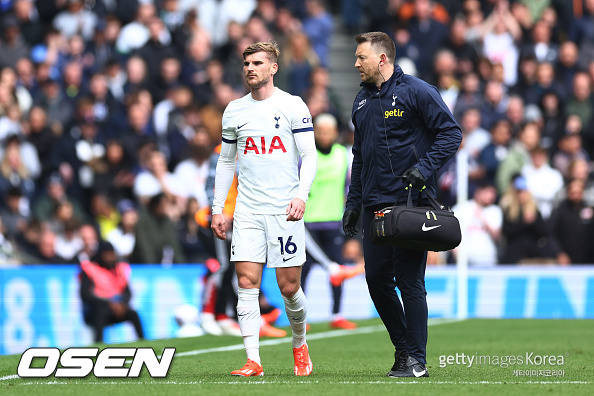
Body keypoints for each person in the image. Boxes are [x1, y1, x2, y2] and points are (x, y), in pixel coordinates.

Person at [342, 32, 462, 378]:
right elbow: (360, 157)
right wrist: (353, 203)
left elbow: (451, 133)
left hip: (410, 203)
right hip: (374, 205)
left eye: (360, 57)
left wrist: (423, 169)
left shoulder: (417, 91)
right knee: (376, 280)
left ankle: (417, 361)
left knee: (409, 280)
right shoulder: (361, 102)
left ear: (382, 59)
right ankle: (404, 349)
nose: (355, 64)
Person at [211, 41, 317, 377]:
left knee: (288, 288)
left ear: (273, 67)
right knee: (246, 282)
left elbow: (310, 155)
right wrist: (218, 208)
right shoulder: (234, 110)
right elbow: (227, 161)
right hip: (247, 211)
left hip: (285, 210)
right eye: (246, 64)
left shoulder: (292, 105)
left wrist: (301, 195)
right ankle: (253, 360)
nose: (250, 69)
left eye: (257, 63)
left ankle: (299, 343)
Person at [79, 240, 144, 343]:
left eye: (111, 254)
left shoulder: (119, 269)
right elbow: (85, 295)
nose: (109, 258)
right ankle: (98, 344)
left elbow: (128, 292)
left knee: (133, 314)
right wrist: (109, 304)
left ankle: (143, 341)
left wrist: (121, 304)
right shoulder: (89, 269)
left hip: (117, 308)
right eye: (106, 255)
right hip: (96, 311)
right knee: (99, 313)